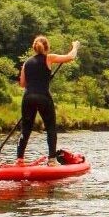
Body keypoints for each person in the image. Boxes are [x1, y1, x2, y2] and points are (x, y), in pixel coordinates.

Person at [17, 36, 80, 166]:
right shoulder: (49, 58)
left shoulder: (27, 63)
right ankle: (52, 160)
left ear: (34, 47)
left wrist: (36, 79)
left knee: (26, 129)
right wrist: (75, 46)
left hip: (28, 97)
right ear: (47, 47)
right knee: (50, 127)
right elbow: (70, 57)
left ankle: (19, 160)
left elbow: (22, 84)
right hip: (43, 97)